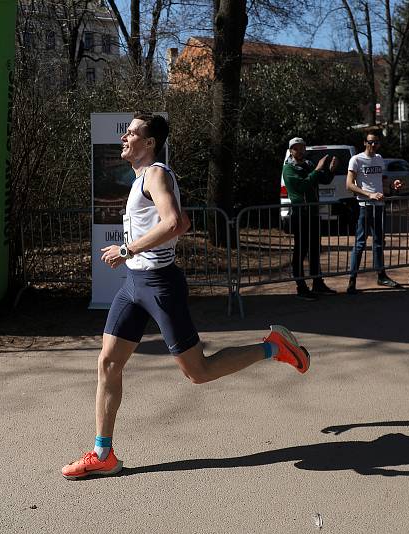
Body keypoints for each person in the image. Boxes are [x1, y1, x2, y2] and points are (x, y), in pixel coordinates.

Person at [61, 113, 312, 480]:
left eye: (132, 133)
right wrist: (130, 258)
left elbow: (177, 223)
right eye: (126, 132)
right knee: (108, 363)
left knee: (199, 372)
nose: (125, 138)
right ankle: (103, 453)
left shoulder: (157, 173)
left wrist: (127, 250)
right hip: (133, 284)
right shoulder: (138, 179)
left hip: (160, 284)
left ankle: (274, 346)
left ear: (149, 143)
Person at [345, 132, 402, 294]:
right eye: (370, 142)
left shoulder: (379, 158)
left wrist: (392, 186)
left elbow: (381, 183)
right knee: (360, 243)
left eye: (376, 143)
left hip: (379, 206)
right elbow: (349, 184)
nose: (373, 145)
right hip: (364, 205)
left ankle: (381, 275)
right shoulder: (356, 159)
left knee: (378, 242)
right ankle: (352, 280)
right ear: (364, 143)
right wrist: (368, 194)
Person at [282, 137, 338, 300]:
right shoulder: (288, 169)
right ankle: (301, 287)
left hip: (313, 213)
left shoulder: (308, 164)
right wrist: (317, 170)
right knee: (300, 251)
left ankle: (317, 283)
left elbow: (324, 180)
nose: (300, 151)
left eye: (302, 148)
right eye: (296, 148)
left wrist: (331, 170)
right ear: (291, 151)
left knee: (315, 249)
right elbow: (302, 186)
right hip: (300, 214)